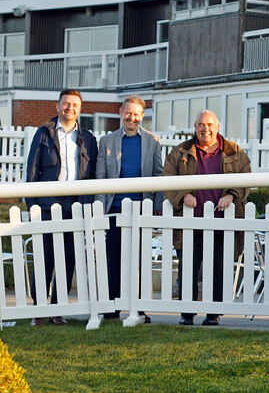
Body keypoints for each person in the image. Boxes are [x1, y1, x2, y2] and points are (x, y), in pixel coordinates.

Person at [163, 110, 251, 326]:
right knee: (188, 268)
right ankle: (187, 313)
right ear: (195, 127)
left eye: (209, 124)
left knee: (219, 268)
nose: (205, 129)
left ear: (218, 126)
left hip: (222, 222)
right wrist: (183, 195)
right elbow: (167, 177)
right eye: (201, 124)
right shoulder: (181, 151)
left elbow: (246, 178)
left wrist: (231, 194)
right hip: (189, 222)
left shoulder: (234, 151)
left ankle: (214, 313)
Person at [25, 89, 98, 326]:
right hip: (47, 203)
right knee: (45, 257)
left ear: (80, 109)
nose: (70, 108)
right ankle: (39, 310)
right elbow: (32, 171)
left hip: (75, 204)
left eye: (74, 105)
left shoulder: (87, 138)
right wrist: (32, 205)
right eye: (66, 104)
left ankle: (58, 309)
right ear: (58, 107)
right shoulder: (43, 134)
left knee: (68, 258)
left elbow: (93, 174)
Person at [95, 95, 163, 322]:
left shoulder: (153, 141)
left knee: (141, 259)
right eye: (128, 112)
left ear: (142, 116)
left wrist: (157, 205)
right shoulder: (106, 141)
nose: (131, 117)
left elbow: (158, 175)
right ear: (121, 112)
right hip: (114, 207)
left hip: (141, 208)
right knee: (114, 257)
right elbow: (101, 176)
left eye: (136, 114)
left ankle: (140, 308)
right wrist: (100, 204)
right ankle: (112, 306)